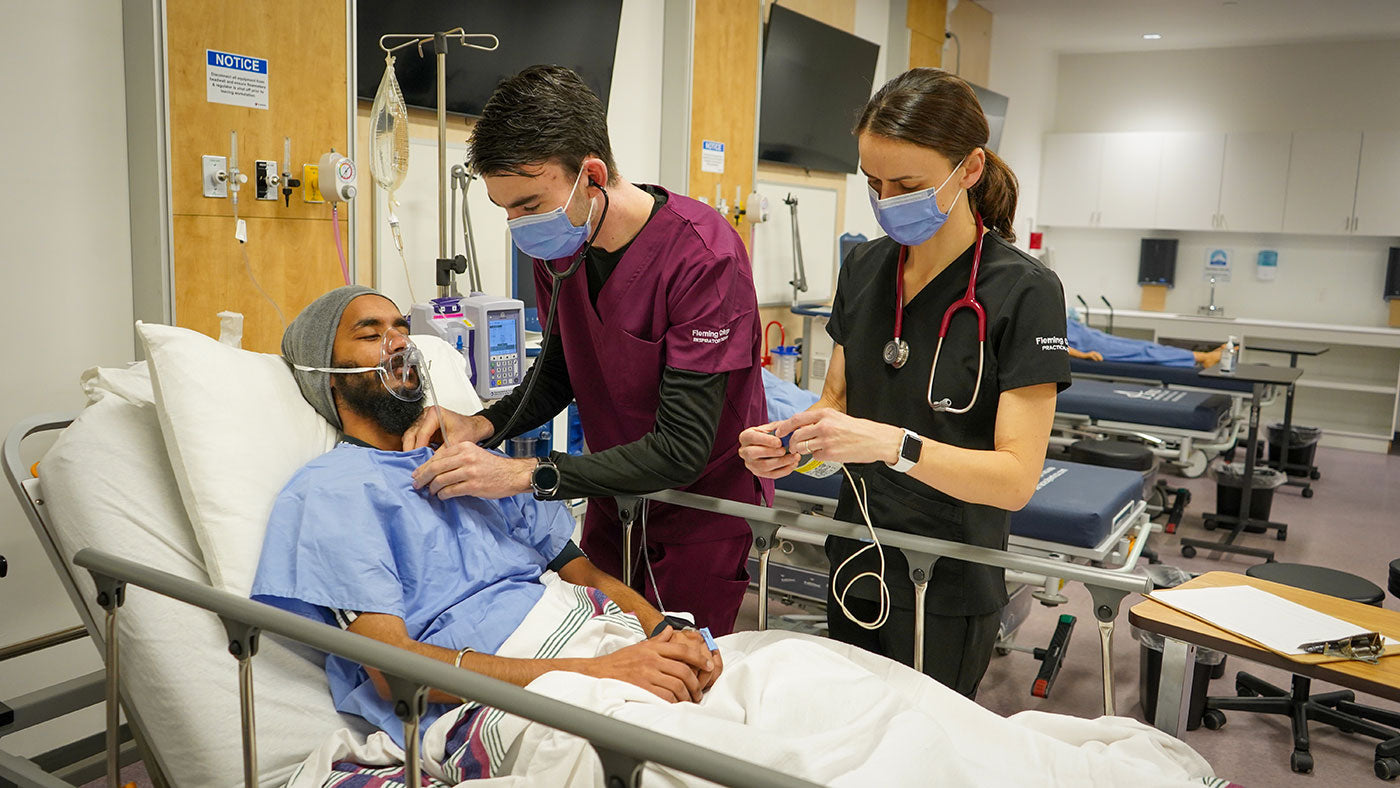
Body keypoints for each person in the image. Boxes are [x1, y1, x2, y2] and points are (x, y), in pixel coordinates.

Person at [251, 287, 720, 744]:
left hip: (596, 634)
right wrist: (596, 674)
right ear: (329, 374)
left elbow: (579, 569)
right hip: (510, 689)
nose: (399, 344)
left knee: (783, 674)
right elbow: (392, 669)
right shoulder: (333, 491)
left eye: (401, 329)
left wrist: (661, 631)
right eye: (371, 335)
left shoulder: (472, 461)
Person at [400, 66, 770, 637]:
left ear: (591, 175)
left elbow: (682, 449)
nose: (517, 225)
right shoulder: (559, 248)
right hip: (610, 496)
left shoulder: (703, 257)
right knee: (603, 656)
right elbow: (561, 367)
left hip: (699, 513)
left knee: (682, 679)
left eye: (528, 204)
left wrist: (523, 474)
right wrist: (482, 424)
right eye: (505, 210)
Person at [738, 69, 1071, 698]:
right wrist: (790, 446)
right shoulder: (865, 267)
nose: (888, 200)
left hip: (948, 577)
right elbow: (835, 404)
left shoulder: (1023, 292)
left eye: (909, 185)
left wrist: (895, 446)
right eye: (874, 183)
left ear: (970, 169)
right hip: (856, 553)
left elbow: (1016, 479)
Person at [1067, 310, 1224, 367]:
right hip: (1085, 344)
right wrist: (1083, 355)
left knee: (1144, 345)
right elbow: (1050, 342)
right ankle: (1201, 357)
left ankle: (1201, 357)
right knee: (1143, 351)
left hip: (1086, 334)